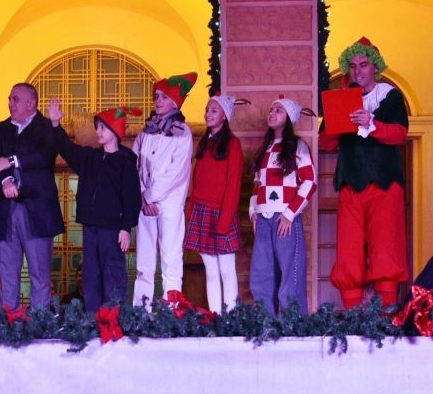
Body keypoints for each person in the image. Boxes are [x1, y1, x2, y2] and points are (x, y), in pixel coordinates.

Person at [321, 37, 409, 308]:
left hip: (384, 185)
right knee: (348, 254)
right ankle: (351, 319)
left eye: (363, 65)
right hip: (350, 184)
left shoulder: (390, 96)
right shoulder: (342, 98)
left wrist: (371, 123)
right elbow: (327, 142)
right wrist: (339, 118)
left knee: (385, 250)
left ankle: (386, 318)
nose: (357, 70)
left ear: (375, 67)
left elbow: (399, 134)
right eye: (352, 66)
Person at [47, 99, 141, 312]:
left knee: (113, 274)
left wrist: (126, 227)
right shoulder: (90, 157)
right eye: (97, 127)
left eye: (103, 128)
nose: (98, 131)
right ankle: (94, 320)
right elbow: (67, 149)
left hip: (112, 229)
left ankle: (115, 320)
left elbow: (132, 198)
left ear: (115, 131)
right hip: (90, 226)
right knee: (91, 276)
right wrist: (55, 124)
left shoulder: (125, 162)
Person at [0, 83, 64, 310]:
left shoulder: (47, 127)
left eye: (15, 99)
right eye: (9, 99)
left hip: (37, 210)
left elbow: (45, 156)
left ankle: (38, 324)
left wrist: (12, 161)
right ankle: (10, 325)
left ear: (31, 103)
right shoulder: (1, 128)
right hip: (6, 210)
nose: (10, 103)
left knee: (39, 274)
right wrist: (5, 180)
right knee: (8, 273)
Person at [249, 96, 317, 315]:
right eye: (271, 110)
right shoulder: (265, 148)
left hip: (284, 218)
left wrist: (289, 214)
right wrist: (253, 210)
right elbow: (258, 183)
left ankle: (293, 325)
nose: (272, 114)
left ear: (289, 117)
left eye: (278, 110)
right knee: (261, 274)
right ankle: (265, 323)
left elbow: (310, 181)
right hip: (263, 219)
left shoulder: (298, 146)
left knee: (290, 274)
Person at [132, 73, 195, 307]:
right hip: (144, 204)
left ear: (175, 102)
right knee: (144, 262)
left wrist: (150, 197)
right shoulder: (145, 132)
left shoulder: (183, 133)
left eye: (164, 96)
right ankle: (141, 311)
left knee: (171, 259)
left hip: (169, 204)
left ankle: (173, 310)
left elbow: (175, 172)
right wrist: (142, 197)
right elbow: (135, 165)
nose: (158, 100)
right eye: (156, 96)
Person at [183, 95, 245, 313]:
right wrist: (191, 212)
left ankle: (230, 319)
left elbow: (233, 184)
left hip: (221, 213)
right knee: (210, 271)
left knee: (227, 270)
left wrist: (224, 220)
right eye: (207, 109)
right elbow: (196, 181)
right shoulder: (204, 143)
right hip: (201, 212)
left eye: (214, 111)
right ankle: (216, 317)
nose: (208, 114)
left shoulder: (233, 144)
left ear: (224, 116)